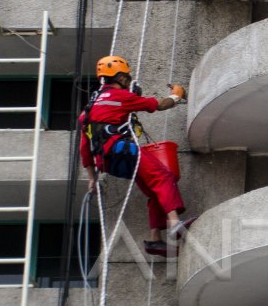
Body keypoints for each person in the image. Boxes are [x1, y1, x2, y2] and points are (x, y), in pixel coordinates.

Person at [79, 55, 195, 257]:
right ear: (120, 77)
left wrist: (91, 178)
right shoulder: (121, 97)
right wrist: (177, 94)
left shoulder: (89, 109)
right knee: (163, 176)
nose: (128, 79)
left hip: (107, 162)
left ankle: (155, 240)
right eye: (126, 76)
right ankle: (175, 223)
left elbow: (84, 146)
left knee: (153, 189)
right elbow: (158, 105)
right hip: (121, 150)